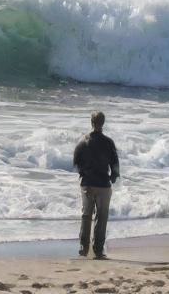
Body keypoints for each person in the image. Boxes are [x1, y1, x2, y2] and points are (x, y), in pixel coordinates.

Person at [73, 110, 119, 259]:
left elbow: (76, 161)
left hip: (87, 184)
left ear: (91, 122)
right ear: (103, 123)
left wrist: (83, 173)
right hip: (103, 185)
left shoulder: (83, 141)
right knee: (101, 216)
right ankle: (98, 250)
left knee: (86, 215)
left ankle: (83, 246)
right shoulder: (108, 142)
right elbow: (115, 163)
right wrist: (113, 177)